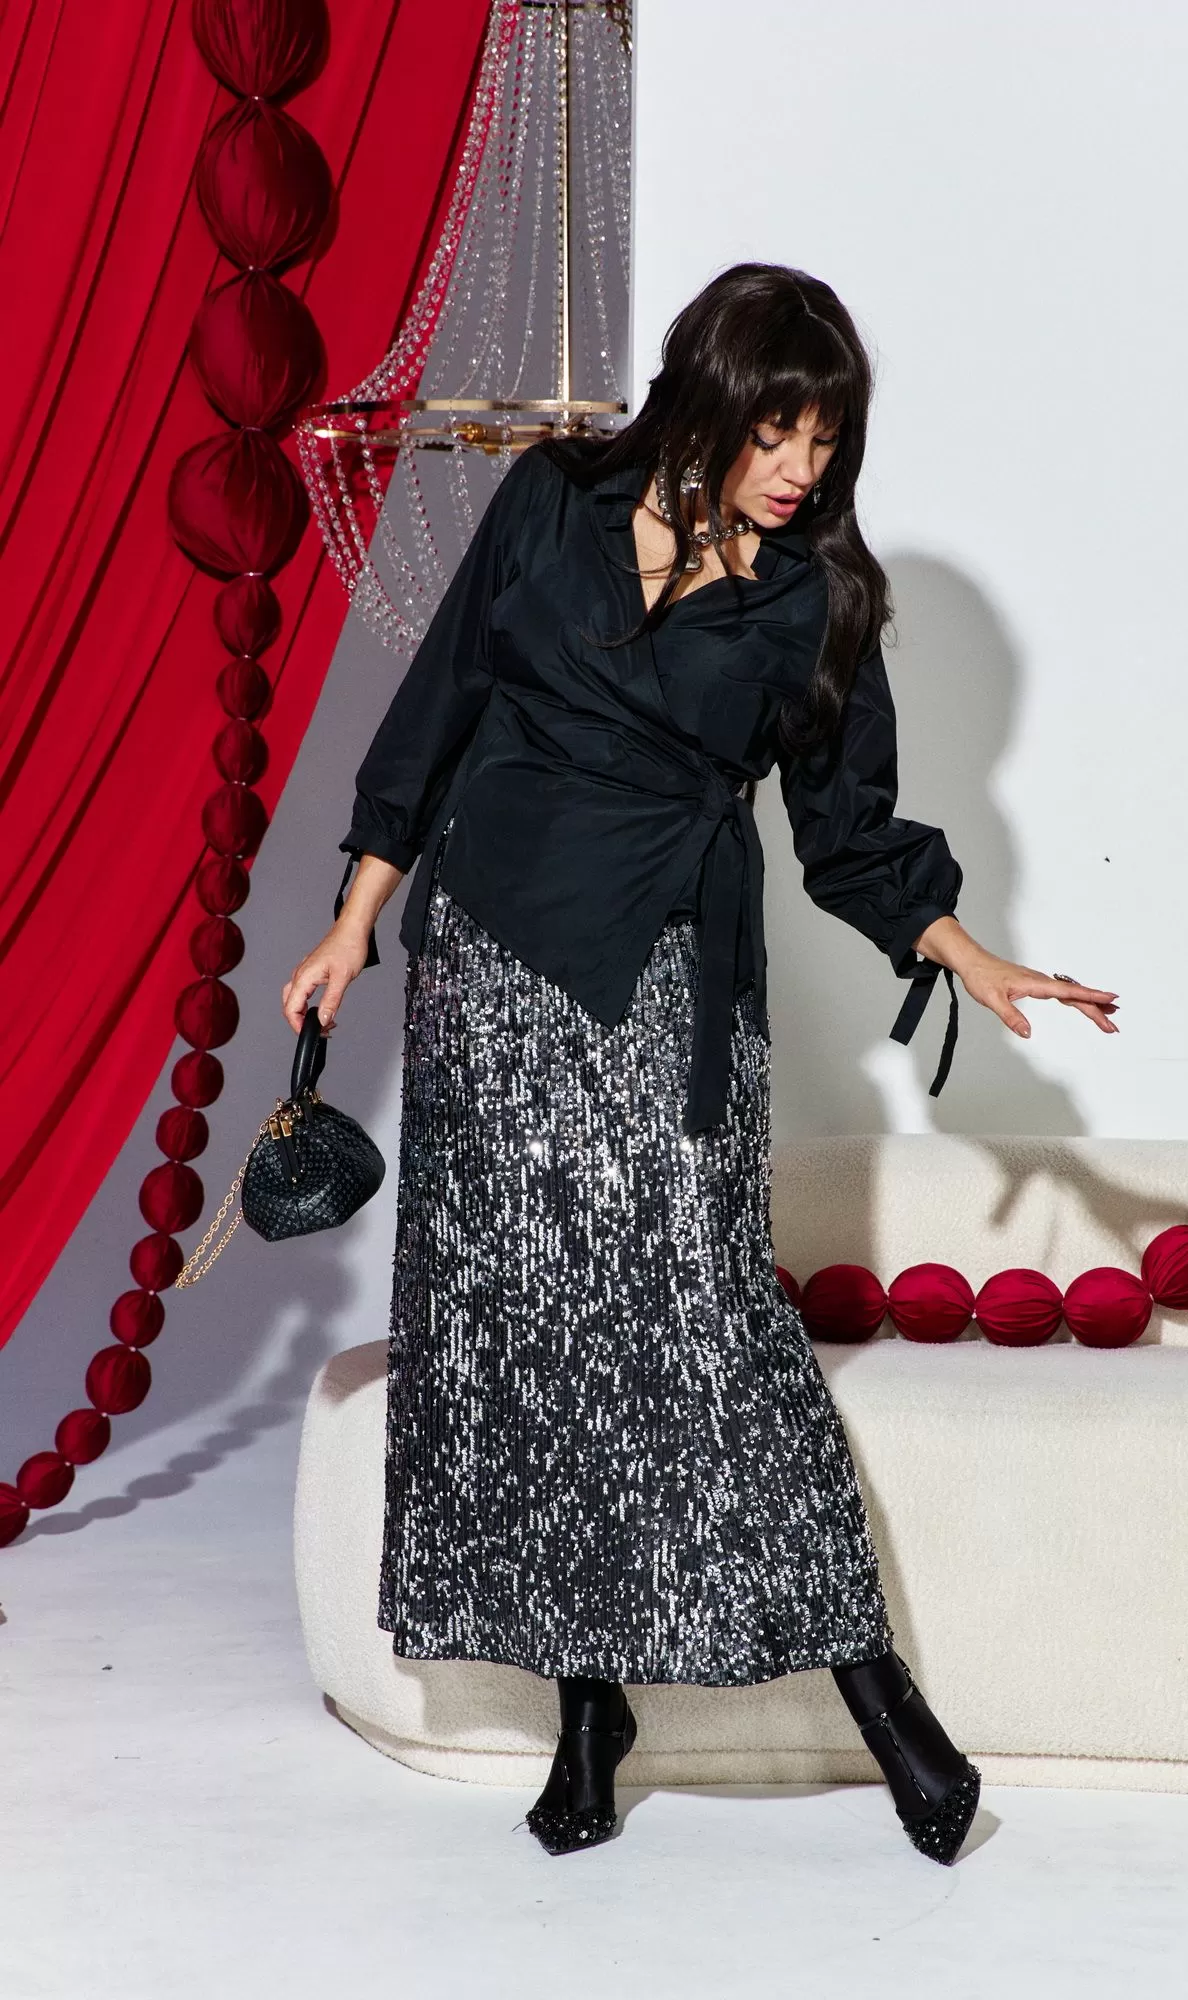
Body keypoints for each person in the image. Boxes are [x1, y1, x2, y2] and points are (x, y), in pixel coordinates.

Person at [282, 262, 1119, 1866]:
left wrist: (967, 950)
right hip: (492, 956)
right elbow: (441, 705)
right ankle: (589, 1711)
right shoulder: (554, 500)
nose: (800, 466)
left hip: (668, 969)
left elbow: (849, 833)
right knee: (528, 1330)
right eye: (777, 428)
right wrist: (352, 922)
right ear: (713, 397)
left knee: (706, 1322)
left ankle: (886, 1707)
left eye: (826, 438)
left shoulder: (820, 599)